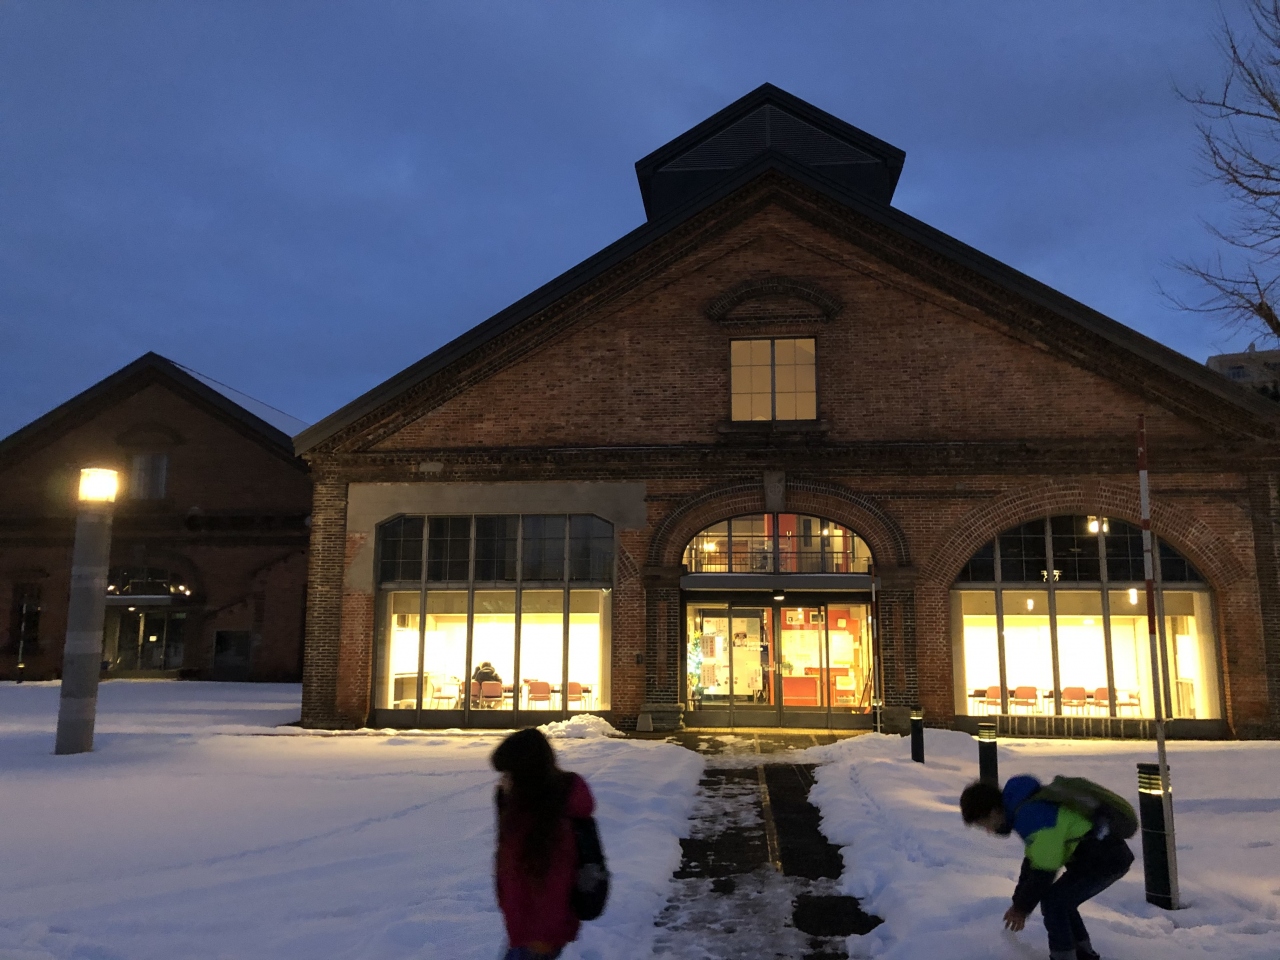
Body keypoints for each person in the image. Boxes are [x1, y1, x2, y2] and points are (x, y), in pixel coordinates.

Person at [960, 775, 1134, 960]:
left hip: (1107, 858)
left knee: (1055, 903)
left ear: (994, 812)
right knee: (1060, 902)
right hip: (1095, 858)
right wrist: (1019, 902)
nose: (987, 831)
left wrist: (1021, 909)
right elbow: (1033, 862)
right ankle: (1082, 953)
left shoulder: (1032, 816)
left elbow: (1044, 869)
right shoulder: (1025, 810)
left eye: (983, 824)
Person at [490, 727, 595, 960]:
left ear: (525, 775)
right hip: (526, 931)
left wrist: (541, 938)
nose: (502, 782)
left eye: (507, 774)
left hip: (538, 936)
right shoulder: (526, 815)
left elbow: (553, 883)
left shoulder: (544, 825)